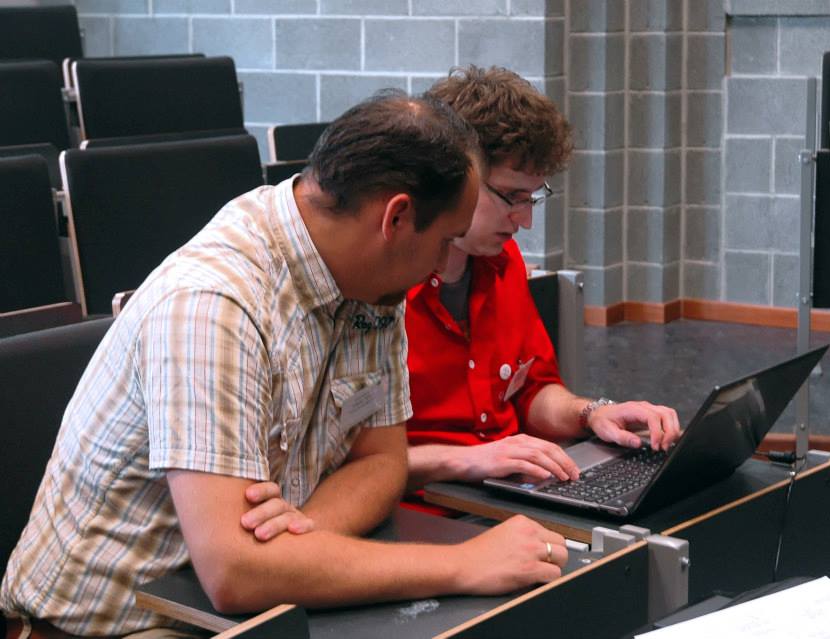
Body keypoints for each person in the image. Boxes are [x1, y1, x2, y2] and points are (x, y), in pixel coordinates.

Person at [0, 92, 567, 638]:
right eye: (444, 241)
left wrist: (294, 539)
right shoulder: (213, 306)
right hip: (112, 625)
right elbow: (234, 574)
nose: (443, 263)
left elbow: (382, 461)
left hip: (235, 603)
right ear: (395, 218)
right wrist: (465, 564)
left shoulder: (373, 280)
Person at [403, 67, 682, 494]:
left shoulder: (503, 262)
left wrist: (592, 413)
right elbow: (354, 464)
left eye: (532, 198)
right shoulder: (383, 289)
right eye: (512, 198)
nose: (526, 221)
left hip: (506, 490)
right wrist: (471, 459)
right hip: (424, 507)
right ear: (455, 177)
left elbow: (532, 392)